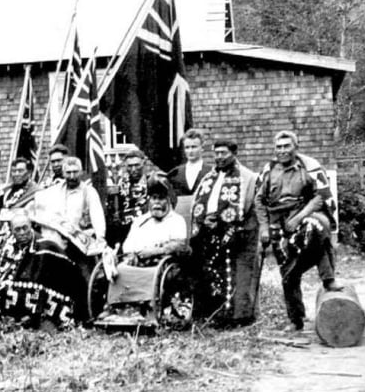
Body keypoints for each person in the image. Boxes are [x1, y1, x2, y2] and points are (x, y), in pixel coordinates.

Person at [254, 131, 342, 332]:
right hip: (278, 224)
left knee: (317, 230)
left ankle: (328, 279)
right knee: (288, 273)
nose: (282, 151)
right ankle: (296, 319)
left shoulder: (308, 168)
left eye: (287, 146)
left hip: (302, 216)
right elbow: (259, 201)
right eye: (279, 147)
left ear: (296, 147)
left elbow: (320, 197)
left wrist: (299, 217)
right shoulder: (268, 171)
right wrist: (264, 228)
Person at [98, 174, 189, 324]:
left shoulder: (176, 220)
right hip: (138, 259)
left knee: (151, 272)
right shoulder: (141, 221)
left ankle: (146, 308)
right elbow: (128, 245)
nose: (156, 203)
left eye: (161, 199)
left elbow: (179, 245)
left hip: (162, 261)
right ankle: (116, 307)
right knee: (120, 269)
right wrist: (132, 253)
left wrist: (154, 251)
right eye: (153, 198)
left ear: (168, 200)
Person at [190, 139, 260, 325]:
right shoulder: (209, 177)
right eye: (216, 153)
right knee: (211, 271)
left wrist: (229, 227)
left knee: (234, 273)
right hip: (208, 229)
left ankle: (236, 316)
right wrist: (204, 221)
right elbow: (199, 204)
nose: (219, 157)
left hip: (235, 231)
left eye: (223, 153)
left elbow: (247, 209)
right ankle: (213, 313)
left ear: (234, 153)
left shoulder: (247, 177)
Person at [0, 213, 85, 329]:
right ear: (12, 231)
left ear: (30, 226)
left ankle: (36, 317)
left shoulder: (46, 247)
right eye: (17, 230)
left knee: (37, 289)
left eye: (25, 228)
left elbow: (67, 271)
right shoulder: (8, 247)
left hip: (46, 293)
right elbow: (2, 275)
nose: (22, 233)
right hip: (19, 294)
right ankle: (18, 316)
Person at [33, 156, 106, 251]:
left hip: (80, 240)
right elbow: (39, 203)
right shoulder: (54, 190)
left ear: (81, 172)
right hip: (60, 238)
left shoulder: (89, 192)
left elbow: (98, 216)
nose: (72, 176)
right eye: (68, 173)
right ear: (63, 174)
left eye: (75, 172)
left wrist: (100, 237)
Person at [107, 150, 150, 247]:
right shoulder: (121, 183)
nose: (133, 169)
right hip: (125, 228)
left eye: (137, 165)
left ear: (144, 164)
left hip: (147, 227)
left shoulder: (151, 181)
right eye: (130, 166)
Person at [168, 129, 211, 195]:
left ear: (202, 148)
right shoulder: (175, 173)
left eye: (194, 147)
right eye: (187, 147)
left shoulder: (211, 172)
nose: (190, 151)